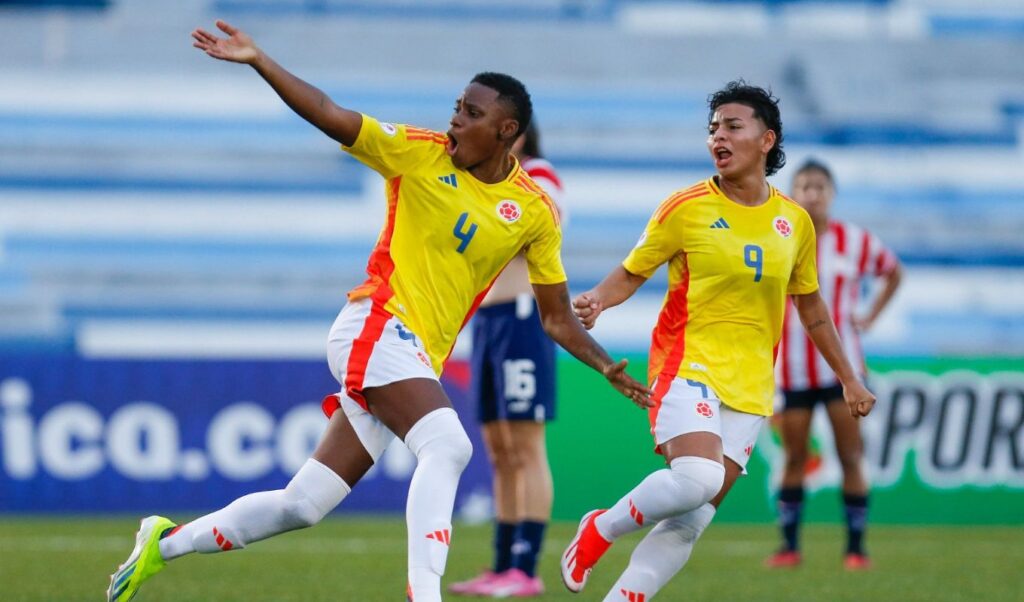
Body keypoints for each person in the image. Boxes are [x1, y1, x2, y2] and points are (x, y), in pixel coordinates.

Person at [105, 20, 652, 602]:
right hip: (376, 326)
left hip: (413, 354)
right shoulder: (418, 153)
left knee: (303, 504)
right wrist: (260, 61)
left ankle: (163, 543)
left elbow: (556, 316)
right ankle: (425, 593)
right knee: (449, 445)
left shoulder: (534, 209)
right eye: (456, 108)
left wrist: (605, 366)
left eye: (471, 113)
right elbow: (328, 112)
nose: (455, 121)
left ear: (506, 130)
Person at [558, 81, 877, 600]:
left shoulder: (794, 222)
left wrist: (848, 378)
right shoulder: (686, 207)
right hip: (687, 364)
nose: (718, 138)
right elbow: (633, 272)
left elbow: (812, 307)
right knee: (696, 479)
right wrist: (598, 299)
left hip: (751, 385)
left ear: (767, 139)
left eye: (732, 126)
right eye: (712, 129)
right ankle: (601, 527)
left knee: (690, 522)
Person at [766, 159, 902, 570]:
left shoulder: (854, 241)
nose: (812, 194)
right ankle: (789, 547)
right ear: (792, 193)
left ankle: (856, 550)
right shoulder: (778, 237)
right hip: (792, 370)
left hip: (844, 373)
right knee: (794, 458)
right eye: (804, 186)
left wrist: (871, 316)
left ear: (832, 194)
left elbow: (893, 272)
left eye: (820, 187)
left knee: (850, 456)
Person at [449, 122, 564, 598]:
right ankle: (501, 565)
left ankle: (526, 566)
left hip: (523, 317)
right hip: (489, 321)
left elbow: (533, 235)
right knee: (498, 449)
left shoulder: (539, 175)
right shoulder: (483, 183)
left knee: (525, 446)